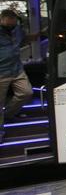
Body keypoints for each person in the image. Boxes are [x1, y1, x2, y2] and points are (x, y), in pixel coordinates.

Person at [0, 9, 35, 143]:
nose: (11, 26)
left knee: (27, 92)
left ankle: (8, 114)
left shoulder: (17, 29)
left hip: (16, 69)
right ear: (2, 20)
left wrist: (39, 34)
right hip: (1, 71)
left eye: (13, 24)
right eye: (8, 24)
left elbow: (24, 39)